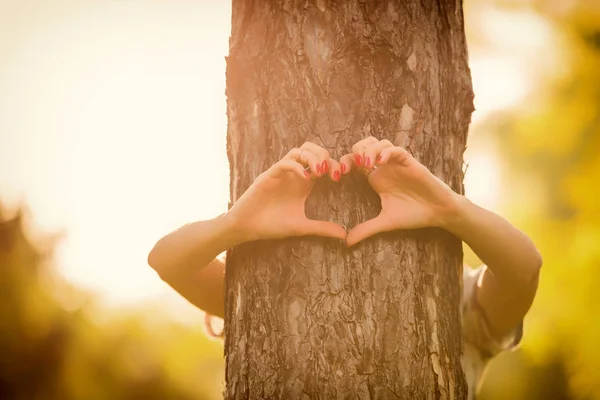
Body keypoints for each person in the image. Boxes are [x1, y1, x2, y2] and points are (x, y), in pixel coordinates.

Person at [148, 137, 542, 398]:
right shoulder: (254, 295)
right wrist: (235, 225)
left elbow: (523, 269)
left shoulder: (459, 313)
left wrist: (449, 209)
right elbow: (167, 260)